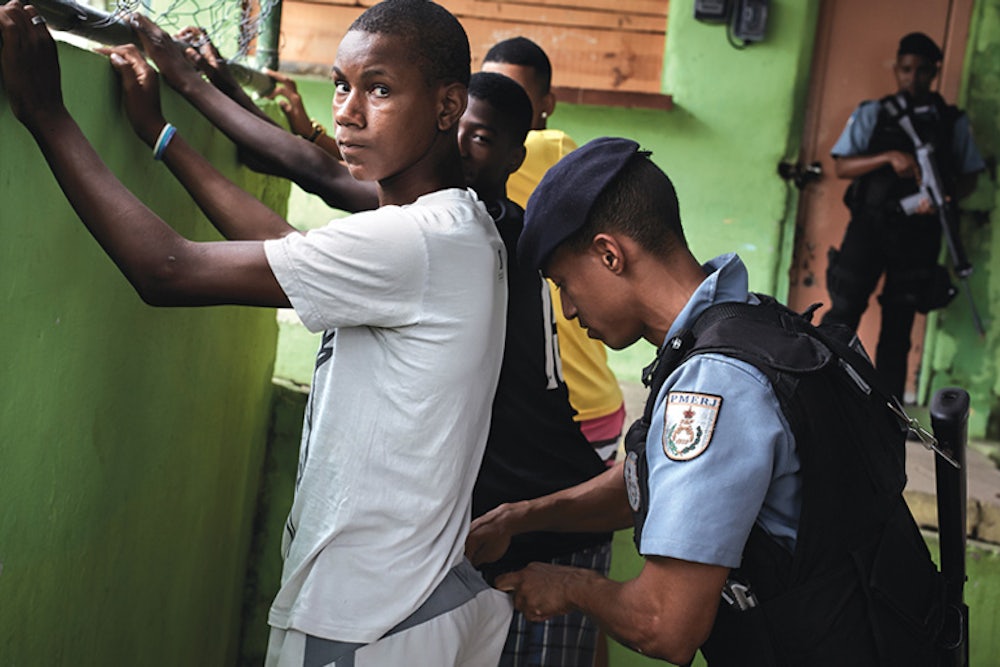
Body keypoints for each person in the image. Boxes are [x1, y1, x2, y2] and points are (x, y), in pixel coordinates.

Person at [0, 1, 513, 665]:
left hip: (368, 618)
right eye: (341, 85)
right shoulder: (458, 226)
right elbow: (287, 250)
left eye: (380, 89)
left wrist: (47, 112)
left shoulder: (419, 243)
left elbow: (167, 269)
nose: (348, 112)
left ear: (448, 107)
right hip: (409, 599)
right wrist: (162, 136)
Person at [466, 136, 951, 666]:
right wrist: (523, 517)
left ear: (610, 254)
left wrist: (566, 586)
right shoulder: (758, 323)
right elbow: (669, 481)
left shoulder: (713, 386)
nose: (568, 309)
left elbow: (664, 624)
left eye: (564, 283)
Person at [460, 71, 612, 667]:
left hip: (549, 500)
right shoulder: (480, 219)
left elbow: (336, 180)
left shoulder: (493, 227)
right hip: (522, 505)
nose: (461, 146)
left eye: (480, 135)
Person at [483, 36, 625, 466]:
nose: (495, 107)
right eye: (486, 92)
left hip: (577, 409)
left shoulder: (546, 149)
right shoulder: (482, 171)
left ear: (546, 105)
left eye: (514, 97)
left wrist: (314, 137)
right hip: (534, 406)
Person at [821, 31, 984, 400]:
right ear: (897, 69)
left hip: (919, 235)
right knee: (843, 312)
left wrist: (943, 198)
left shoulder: (952, 121)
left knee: (899, 326)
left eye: (922, 70)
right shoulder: (874, 113)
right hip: (869, 226)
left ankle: (888, 410)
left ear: (934, 72)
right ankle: (823, 390)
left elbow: (970, 177)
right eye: (906, 69)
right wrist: (887, 157)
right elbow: (842, 166)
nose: (913, 78)